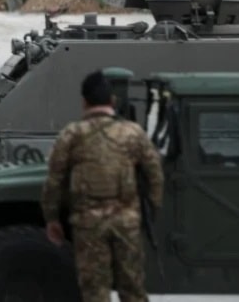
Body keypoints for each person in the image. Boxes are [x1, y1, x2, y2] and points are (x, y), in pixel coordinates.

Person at [41, 70, 164, 302]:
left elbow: (54, 180)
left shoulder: (71, 135)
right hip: (127, 221)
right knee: (133, 288)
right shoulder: (133, 133)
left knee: (94, 291)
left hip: (88, 224)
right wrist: (151, 210)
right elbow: (154, 174)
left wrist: (52, 218)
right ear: (113, 101)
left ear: (84, 101)